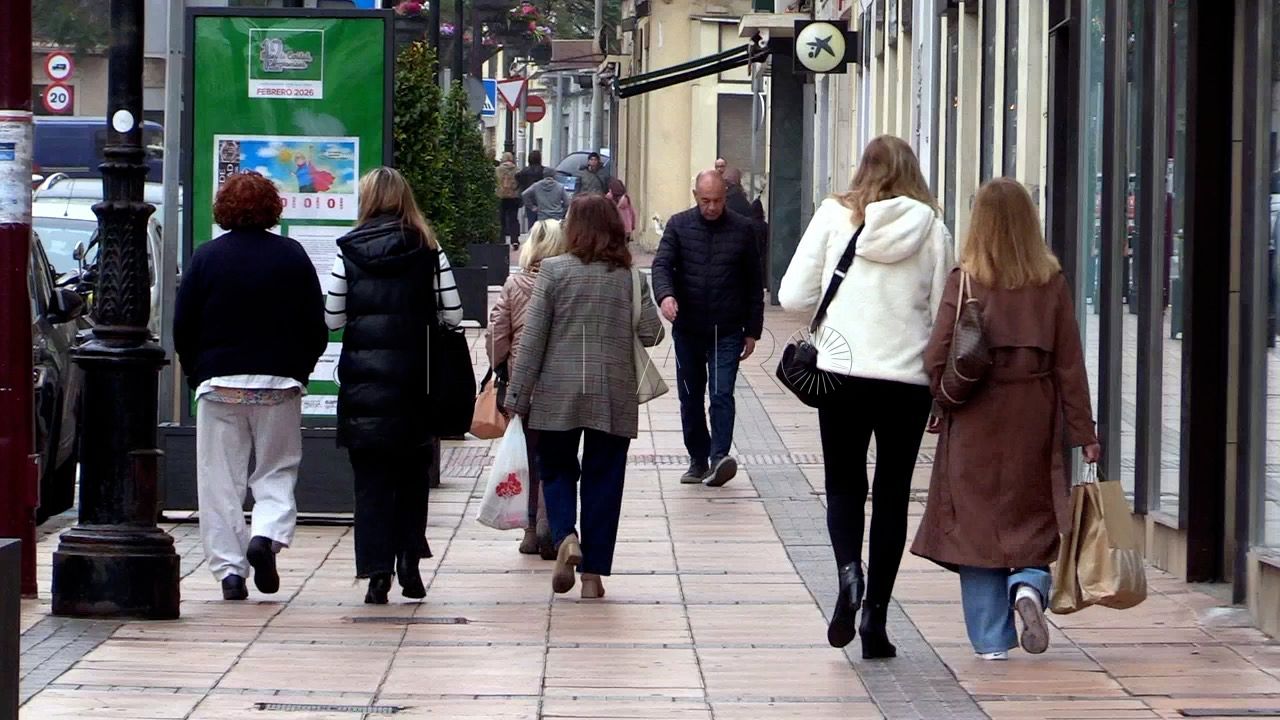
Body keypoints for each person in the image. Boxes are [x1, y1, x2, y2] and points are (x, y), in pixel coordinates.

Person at [777, 135, 953, 658]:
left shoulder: (835, 215)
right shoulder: (932, 228)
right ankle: (876, 618)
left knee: (844, 485)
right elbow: (946, 310)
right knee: (893, 495)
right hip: (906, 382)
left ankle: (848, 572)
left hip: (842, 375)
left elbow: (792, 296)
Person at [911, 178, 1101, 661]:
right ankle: (1028, 588)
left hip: (975, 414)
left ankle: (992, 642)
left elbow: (937, 354)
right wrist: (1085, 433)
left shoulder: (966, 278)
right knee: (1031, 514)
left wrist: (942, 398)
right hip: (1034, 411)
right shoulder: (1050, 282)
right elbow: (1069, 364)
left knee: (976, 527)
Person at [174, 171, 328, 601]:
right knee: (276, 468)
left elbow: (184, 326)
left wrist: (196, 374)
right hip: (278, 382)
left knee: (219, 480)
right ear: (272, 208)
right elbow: (314, 324)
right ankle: (266, 535)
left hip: (219, 383)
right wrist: (301, 368)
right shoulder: (292, 256)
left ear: (223, 208)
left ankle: (229, 571)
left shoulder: (206, 258)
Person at [504, 194, 664, 600]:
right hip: (613, 393)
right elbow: (652, 334)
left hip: (557, 393)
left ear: (573, 228)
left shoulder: (554, 272)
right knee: (604, 481)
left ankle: (565, 537)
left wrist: (518, 396)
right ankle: (593, 577)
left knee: (555, 469)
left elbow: (534, 339)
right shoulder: (630, 277)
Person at [324, 167, 465, 604]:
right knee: (411, 476)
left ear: (366, 200)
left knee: (370, 483)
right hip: (415, 384)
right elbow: (455, 316)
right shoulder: (428, 248)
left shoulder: (347, 251)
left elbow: (331, 318)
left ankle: (376, 574)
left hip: (365, 385)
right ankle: (410, 561)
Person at [651, 170, 764, 487]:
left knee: (721, 393)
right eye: (705, 201)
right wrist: (666, 295)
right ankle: (698, 459)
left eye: (716, 201)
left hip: (726, 328)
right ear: (695, 196)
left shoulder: (742, 229)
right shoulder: (678, 225)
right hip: (688, 327)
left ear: (725, 197)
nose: (711, 207)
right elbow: (661, 264)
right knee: (690, 396)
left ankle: (719, 458)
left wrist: (752, 329)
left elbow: (755, 283)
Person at [488, 219, 568, 560]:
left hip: (523, 384)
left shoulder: (514, 283)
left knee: (529, 456)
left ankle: (531, 530)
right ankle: (554, 524)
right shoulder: (567, 281)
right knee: (557, 456)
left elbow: (496, 333)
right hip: (560, 383)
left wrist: (499, 365)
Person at [496, 152, 521, 247]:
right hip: (513, 196)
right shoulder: (517, 170)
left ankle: (501, 239)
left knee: (501, 218)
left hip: (500, 196)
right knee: (513, 219)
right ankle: (514, 240)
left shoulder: (497, 170)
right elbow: (519, 183)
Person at [517, 150, 548, 225]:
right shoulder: (544, 170)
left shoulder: (525, 171)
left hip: (530, 199)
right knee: (542, 223)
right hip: (542, 199)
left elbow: (517, 178)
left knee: (531, 222)